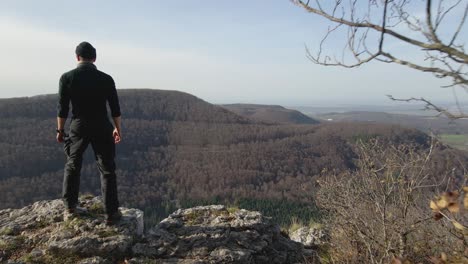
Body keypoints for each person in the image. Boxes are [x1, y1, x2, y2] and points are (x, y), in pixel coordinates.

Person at [56, 41, 122, 225]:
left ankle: (70, 206)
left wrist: (60, 130)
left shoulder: (67, 78)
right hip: (102, 124)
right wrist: (117, 128)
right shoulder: (106, 79)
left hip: (78, 125)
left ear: (77, 57)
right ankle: (111, 213)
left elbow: (62, 109)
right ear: (94, 58)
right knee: (107, 168)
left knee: (73, 164)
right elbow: (115, 108)